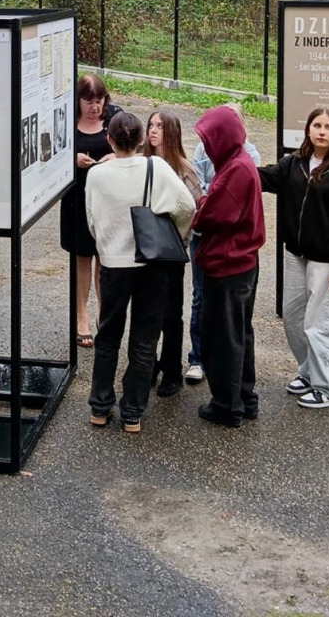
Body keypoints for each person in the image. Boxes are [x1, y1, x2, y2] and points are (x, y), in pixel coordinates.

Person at [84, 112, 197, 433]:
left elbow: (92, 218)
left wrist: (106, 242)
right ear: (141, 140)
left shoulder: (97, 174)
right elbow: (187, 206)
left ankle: (100, 407)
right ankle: (132, 413)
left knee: (108, 335)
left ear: (109, 139)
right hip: (151, 262)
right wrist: (178, 235)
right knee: (145, 338)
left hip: (113, 262)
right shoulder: (156, 167)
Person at [258, 108, 329, 409]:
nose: (322, 131)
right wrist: (235, 164)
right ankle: (310, 372)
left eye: (328, 127)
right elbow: (264, 177)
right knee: (293, 317)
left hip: (328, 259)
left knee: (323, 322)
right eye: (317, 125)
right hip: (296, 253)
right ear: (307, 129)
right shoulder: (294, 163)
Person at [191, 105, 266, 428]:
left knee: (223, 338)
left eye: (209, 140)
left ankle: (227, 406)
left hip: (228, 265)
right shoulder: (240, 162)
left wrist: (201, 207)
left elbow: (208, 217)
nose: (206, 147)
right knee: (240, 333)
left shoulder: (235, 170)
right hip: (243, 262)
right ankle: (245, 399)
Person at [144, 111, 203, 397]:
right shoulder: (142, 163)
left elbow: (195, 207)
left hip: (172, 251)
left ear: (172, 132)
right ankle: (148, 364)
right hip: (145, 248)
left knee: (171, 313)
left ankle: (171, 369)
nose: (153, 130)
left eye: (160, 126)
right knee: (146, 311)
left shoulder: (184, 168)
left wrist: (179, 233)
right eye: (150, 125)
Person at [61, 74, 116, 347]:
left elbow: (136, 149)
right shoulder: (66, 121)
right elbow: (49, 154)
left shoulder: (114, 119)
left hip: (107, 200)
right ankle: (81, 316)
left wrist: (116, 156)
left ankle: (104, 315)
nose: (95, 107)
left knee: (105, 259)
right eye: (88, 101)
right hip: (77, 200)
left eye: (99, 100)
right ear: (78, 100)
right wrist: (72, 160)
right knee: (82, 258)